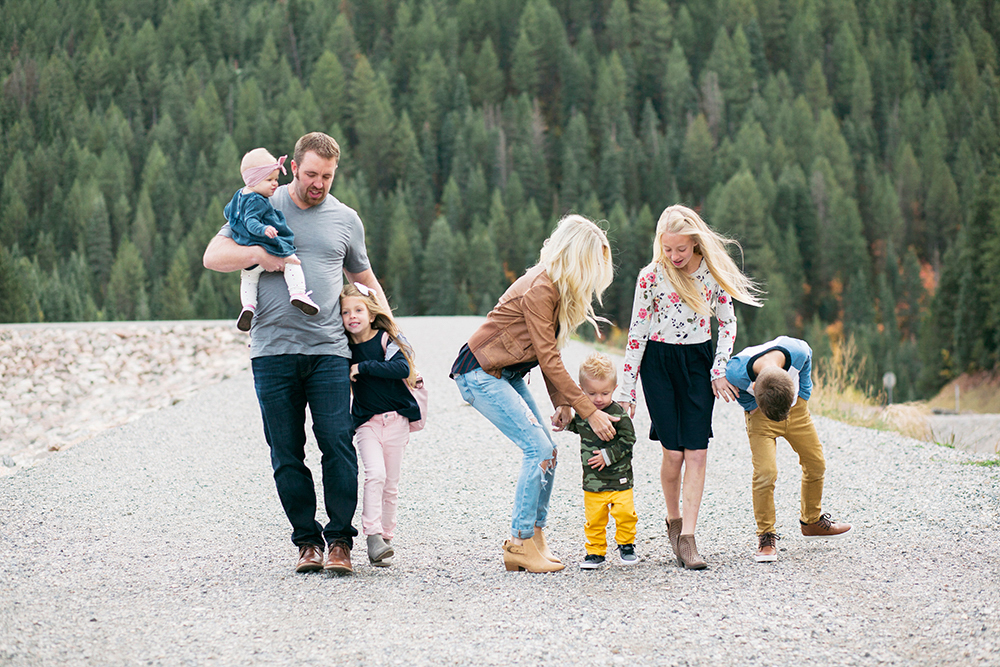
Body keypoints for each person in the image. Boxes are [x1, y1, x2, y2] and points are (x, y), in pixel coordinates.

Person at [203, 132, 388, 575]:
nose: (318, 183)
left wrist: (394, 343)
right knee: (285, 450)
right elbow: (213, 255)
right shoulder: (261, 204)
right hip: (271, 353)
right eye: (310, 174)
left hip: (328, 351)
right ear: (292, 170)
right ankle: (307, 542)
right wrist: (257, 255)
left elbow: (366, 280)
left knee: (337, 445)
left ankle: (340, 541)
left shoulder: (345, 219)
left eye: (326, 176)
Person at [451, 214, 616, 574]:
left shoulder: (557, 288)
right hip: (479, 372)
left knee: (549, 451)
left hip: (505, 372)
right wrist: (589, 409)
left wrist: (562, 403)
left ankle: (535, 537)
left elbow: (547, 354)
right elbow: (549, 357)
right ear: (578, 257)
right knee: (537, 448)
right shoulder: (542, 288)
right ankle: (520, 542)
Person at [615, 204, 763, 570]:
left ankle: (689, 538)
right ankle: (673, 518)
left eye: (681, 249)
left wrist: (719, 367)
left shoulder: (711, 275)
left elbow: (727, 325)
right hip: (658, 364)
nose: (674, 256)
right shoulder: (650, 277)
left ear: (695, 244)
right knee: (673, 454)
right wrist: (626, 388)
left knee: (696, 450)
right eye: (667, 249)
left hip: (698, 362)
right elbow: (636, 333)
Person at [721, 335, 853, 562]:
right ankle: (766, 536)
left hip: (797, 411)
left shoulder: (798, 351)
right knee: (766, 473)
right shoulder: (736, 370)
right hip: (761, 417)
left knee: (816, 463)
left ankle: (811, 522)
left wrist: (802, 397)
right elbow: (736, 389)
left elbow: (808, 362)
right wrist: (751, 404)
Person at [341, 282, 422, 568]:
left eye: (358, 310)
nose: (352, 316)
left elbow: (402, 368)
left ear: (372, 314)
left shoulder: (386, 340)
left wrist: (362, 368)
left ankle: (386, 538)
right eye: (345, 312)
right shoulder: (345, 347)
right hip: (366, 423)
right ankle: (372, 535)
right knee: (374, 474)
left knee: (391, 484)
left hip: (396, 421)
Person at [224, 147, 320, 332]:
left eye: (276, 179)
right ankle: (298, 292)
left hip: (248, 253)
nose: (275, 184)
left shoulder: (238, 195)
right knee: (292, 262)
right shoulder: (258, 200)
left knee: (249, 278)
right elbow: (252, 221)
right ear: (254, 180)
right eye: (269, 180)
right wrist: (263, 228)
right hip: (267, 246)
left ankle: (249, 306)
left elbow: (227, 211)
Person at [568, 352, 638, 570]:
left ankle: (626, 544)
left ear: (614, 388)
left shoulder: (618, 414)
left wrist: (608, 456)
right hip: (593, 481)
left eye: (605, 393)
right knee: (594, 519)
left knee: (625, 513)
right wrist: (564, 422)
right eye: (592, 393)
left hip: (619, 479)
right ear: (582, 389)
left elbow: (629, 440)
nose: (598, 399)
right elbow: (576, 426)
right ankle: (595, 552)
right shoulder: (583, 413)